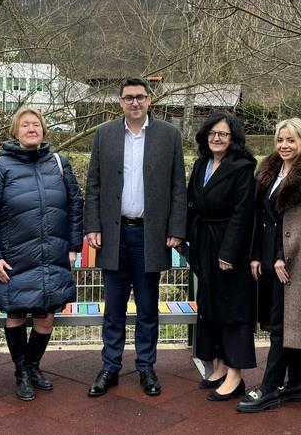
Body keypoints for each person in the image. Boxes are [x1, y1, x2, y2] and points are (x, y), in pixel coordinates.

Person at [84, 77, 187, 397]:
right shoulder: (105, 134)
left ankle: (146, 367)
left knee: (147, 307)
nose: (134, 102)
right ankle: (110, 367)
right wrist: (92, 226)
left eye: (140, 97)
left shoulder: (169, 135)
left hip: (149, 235)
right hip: (114, 235)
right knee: (113, 308)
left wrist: (176, 229)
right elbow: (93, 184)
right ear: (120, 101)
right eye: (128, 97)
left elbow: (178, 186)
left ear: (150, 99)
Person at [0, 106, 83, 401]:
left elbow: (76, 205)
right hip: (14, 257)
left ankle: (32, 366)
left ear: (43, 130)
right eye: (24, 125)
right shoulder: (1, 167)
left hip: (52, 254)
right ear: (15, 131)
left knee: (45, 317)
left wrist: (74, 246)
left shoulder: (59, 164)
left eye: (35, 124)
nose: (31, 129)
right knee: (15, 313)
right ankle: (21, 373)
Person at [236, 117, 301, 413]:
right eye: (280, 140)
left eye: (291, 140)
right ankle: (297, 383)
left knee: (282, 324)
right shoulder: (271, 169)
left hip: (293, 258)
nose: (284, 145)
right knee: (284, 321)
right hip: (268, 257)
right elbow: (262, 217)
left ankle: (269, 387)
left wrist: (280, 255)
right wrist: (256, 255)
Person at [186, 112, 257, 402]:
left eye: (223, 134)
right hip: (204, 241)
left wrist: (228, 252)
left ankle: (235, 374)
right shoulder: (202, 163)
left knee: (232, 306)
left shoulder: (242, 168)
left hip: (229, 245)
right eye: (212, 133)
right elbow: (192, 201)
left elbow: (243, 212)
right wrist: (184, 236)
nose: (216, 138)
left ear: (233, 138)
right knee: (210, 304)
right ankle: (219, 365)